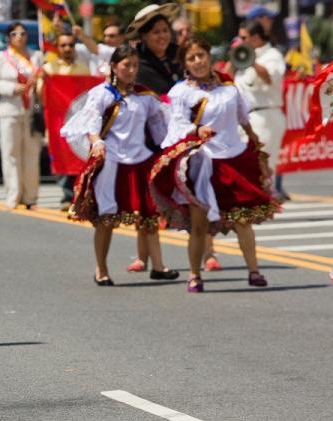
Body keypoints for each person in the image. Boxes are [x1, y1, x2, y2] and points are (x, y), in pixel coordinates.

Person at [150, 37, 278, 292]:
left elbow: (243, 119)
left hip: (234, 158)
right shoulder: (182, 92)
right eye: (191, 58)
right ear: (185, 64)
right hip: (202, 163)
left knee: (243, 220)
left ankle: (254, 271)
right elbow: (176, 126)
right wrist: (197, 128)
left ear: (209, 56)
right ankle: (195, 275)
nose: (198, 61)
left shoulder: (229, 88)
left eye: (201, 56)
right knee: (199, 224)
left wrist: (254, 144)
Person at [61, 45, 179, 286]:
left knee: (148, 215)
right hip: (112, 162)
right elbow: (91, 120)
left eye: (135, 66)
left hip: (140, 161)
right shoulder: (101, 94)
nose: (131, 70)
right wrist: (96, 141)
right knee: (107, 218)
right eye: (126, 65)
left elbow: (162, 123)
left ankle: (158, 266)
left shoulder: (144, 96)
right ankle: (101, 268)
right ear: (114, 66)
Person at [232, 20, 288, 202]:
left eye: (244, 37)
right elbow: (227, 78)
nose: (241, 41)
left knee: (263, 163)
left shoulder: (272, 55)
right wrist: (235, 57)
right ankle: (252, 201)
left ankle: (264, 202)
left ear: (256, 37)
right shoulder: (243, 54)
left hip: (265, 116)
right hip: (244, 118)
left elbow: (270, 78)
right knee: (243, 163)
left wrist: (252, 59)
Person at [0, 22, 43, 210]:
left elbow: (44, 79)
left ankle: (31, 197)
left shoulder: (36, 56)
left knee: (31, 153)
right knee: (11, 153)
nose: (19, 36)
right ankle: (13, 195)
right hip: (10, 109)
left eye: (22, 33)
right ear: (9, 37)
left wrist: (39, 85)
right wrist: (13, 88)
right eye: (15, 33)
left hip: (31, 110)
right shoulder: (0, 58)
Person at [40, 31, 91, 211]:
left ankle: (80, 194)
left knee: (78, 155)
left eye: (70, 45)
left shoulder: (83, 68)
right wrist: (44, 81)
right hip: (58, 121)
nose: (67, 48)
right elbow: (42, 96)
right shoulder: (49, 69)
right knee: (62, 155)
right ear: (58, 48)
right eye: (63, 45)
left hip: (77, 119)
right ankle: (66, 196)